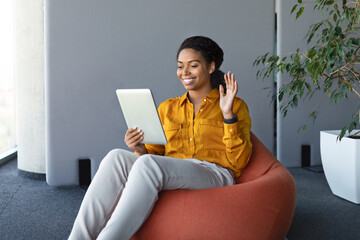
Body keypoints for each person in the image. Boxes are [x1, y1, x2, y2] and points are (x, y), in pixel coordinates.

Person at [68, 36, 252, 240]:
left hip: (214, 173)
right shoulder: (168, 108)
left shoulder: (234, 105)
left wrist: (228, 116)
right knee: (116, 157)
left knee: (148, 165)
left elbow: (239, 162)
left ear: (210, 67)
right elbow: (153, 155)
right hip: (172, 168)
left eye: (193, 65)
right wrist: (139, 147)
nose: (185, 73)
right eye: (180, 66)